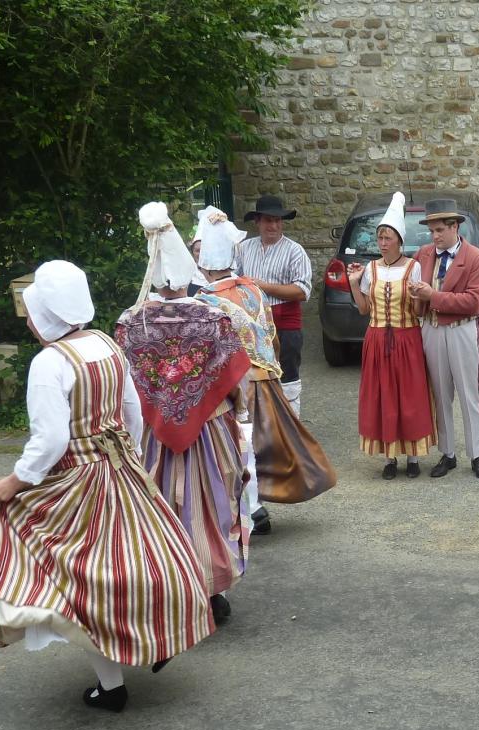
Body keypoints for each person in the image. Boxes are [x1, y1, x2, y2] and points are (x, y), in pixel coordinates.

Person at [0, 260, 213, 713]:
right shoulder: (106, 344)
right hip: (121, 468)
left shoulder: (50, 362)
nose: (28, 320)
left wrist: (16, 480)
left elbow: (50, 439)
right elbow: (131, 412)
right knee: (145, 559)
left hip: (77, 480)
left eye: (32, 311)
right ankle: (154, 637)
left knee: (81, 580)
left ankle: (112, 686)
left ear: (48, 312)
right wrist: (129, 457)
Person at [116, 202, 251, 626]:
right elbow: (236, 380)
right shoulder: (214, 318)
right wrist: (237, 412)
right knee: (209, 505)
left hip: (153, 436)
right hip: (209, 433)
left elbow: (124, 384)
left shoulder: (131, 322)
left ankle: (165, 591)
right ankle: (211, 592)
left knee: (160, 505)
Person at [197, 206, 337, 530]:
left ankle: (246, 508)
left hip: (233, 385)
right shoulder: (253, 290)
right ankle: (255, 507)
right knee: (260, 445)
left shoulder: (205, 299)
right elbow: (270, 334)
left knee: (233, 445)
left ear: (204, 266)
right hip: (264, 379)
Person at [345, 192, 437, 478]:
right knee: (382, 395)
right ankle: (389, 459)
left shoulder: (414, 267)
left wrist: (418, 295)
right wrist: (353, 282)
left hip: (407, 337)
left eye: (388, 238)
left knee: (409, 395)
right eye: (380, 238)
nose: (383, 244)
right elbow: (363, 310)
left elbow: (420, 312)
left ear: (399, 239)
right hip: (375, 339)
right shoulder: (370, 269)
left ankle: (412, 457)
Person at [408, 199, 479, 480]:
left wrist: (432, 296)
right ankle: (448, 453)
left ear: (455, 227)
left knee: (469, 393)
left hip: (462, 328)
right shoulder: (423, 254)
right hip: (431, 328)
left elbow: (473, 303)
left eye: (440, 230)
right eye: (431, 231)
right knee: (440, 394)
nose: (435, 236)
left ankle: (477, 454)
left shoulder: (476, 257)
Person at [237, 194, 311, 417]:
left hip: (285, 324)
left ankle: (291, 429)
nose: (274, 225)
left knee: (287, 378)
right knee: (255, 376)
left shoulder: (294, 250)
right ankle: (262, 427)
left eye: (278, 220)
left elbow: (302, 291)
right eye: (269, 220)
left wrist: (264, 286)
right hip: (252, 325)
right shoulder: (243, 249)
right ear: (257, 222)